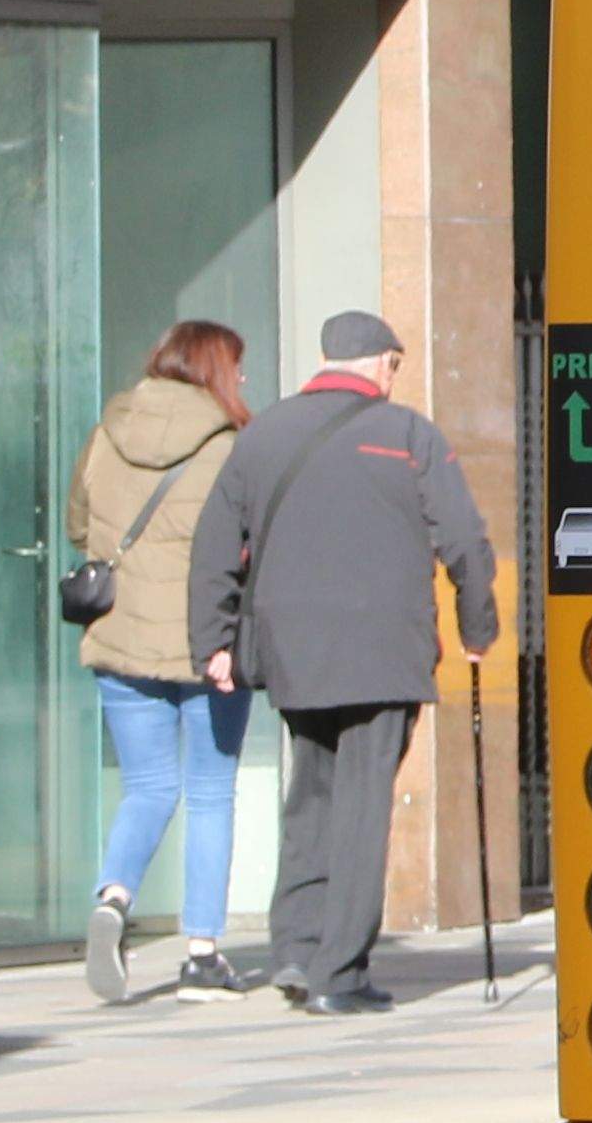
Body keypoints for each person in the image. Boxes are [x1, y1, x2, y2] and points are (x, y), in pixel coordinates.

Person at [195, 309, 500, 1017]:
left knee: (311, 797)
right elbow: (464, 539)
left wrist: (211, 641)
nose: (396, 378)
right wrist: (476, 628)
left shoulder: (262, 434)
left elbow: (216, 544)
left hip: (294, 649)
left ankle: (296, 950)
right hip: (383, 649)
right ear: (382, 363)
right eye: (395, 365)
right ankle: (340, 973)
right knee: (363, 805)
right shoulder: (408, 435)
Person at [69, 321, 254, 1005]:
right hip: (209, 646)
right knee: (209, 791)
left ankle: (114, 898)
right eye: (237, 369)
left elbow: (78, 525)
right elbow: (246, 544)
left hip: (120, 639)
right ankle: (202, 957)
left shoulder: (106, 430)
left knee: (147, 787)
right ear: (213, 371)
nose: (243, 382)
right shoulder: (228, 447)